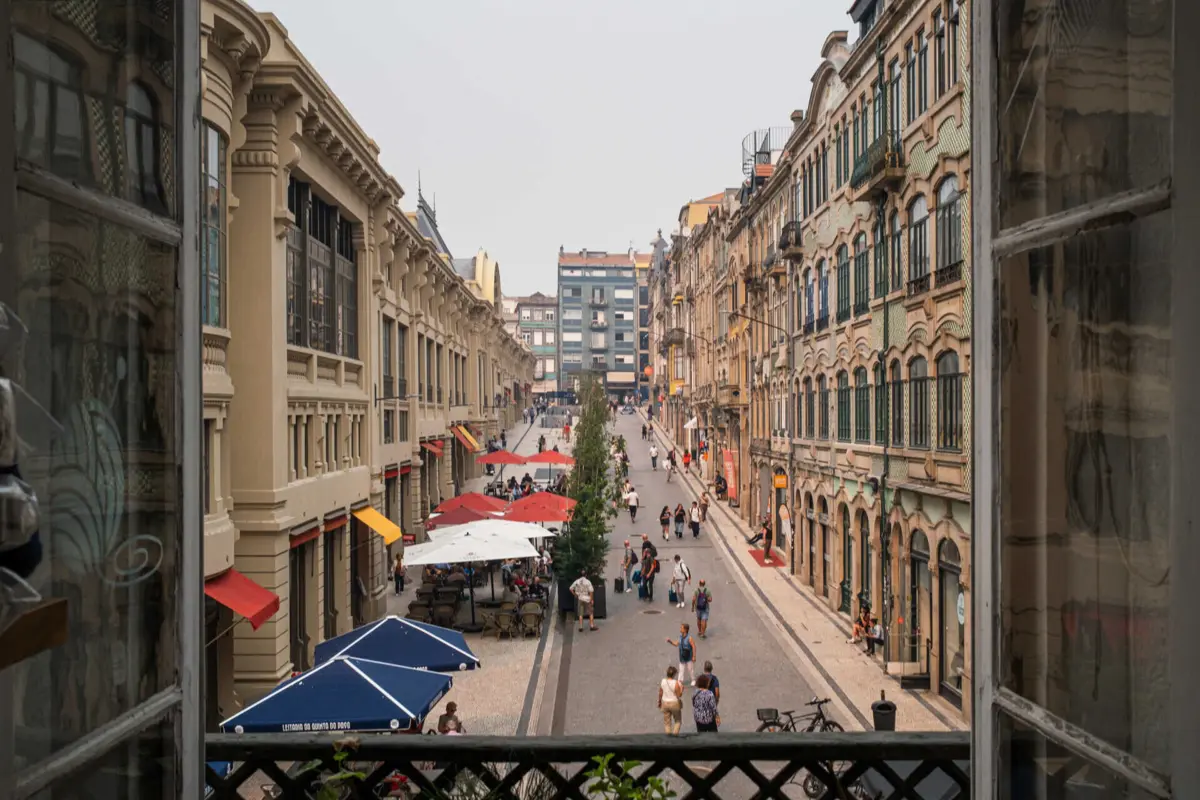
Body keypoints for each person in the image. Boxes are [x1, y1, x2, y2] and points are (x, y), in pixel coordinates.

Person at [658, 665, 684, 735]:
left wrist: (659, 702)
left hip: (665, 703)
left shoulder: (663, 681)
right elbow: (679, 695)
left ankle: (668, 737)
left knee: (667, 722)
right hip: (674, 703)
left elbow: (660, 693)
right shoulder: (676, 683)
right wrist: (682, 689)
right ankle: (675, 736)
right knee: (678, 721)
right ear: (674, 674)